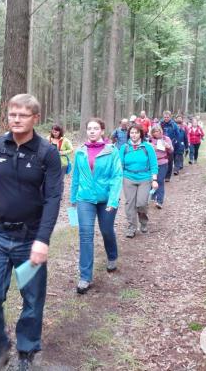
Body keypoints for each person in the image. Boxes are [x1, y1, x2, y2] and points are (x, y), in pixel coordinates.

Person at [0, 94, 63, 371]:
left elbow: (53, 198)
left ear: (36, 118)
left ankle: (26, 350)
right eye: (12, 114)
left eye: (23, 115)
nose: (16, 119)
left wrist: (42, 240)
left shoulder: (47, 153)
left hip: (30, 237)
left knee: (33, 299)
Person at [69, 118, 123, 294]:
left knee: (106, 230)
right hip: (85, 198)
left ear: (102, 131)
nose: (92, 131)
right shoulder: (80, 151)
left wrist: (113, 200)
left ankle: (112, 256)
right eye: (89, 128)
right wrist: (73, 198)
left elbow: (117, 176)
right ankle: (85, 277)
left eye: (95, 128)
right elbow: (76, 176)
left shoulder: (111, 150)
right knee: (85, 235)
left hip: (106, 198)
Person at [120, 125, 159, 237]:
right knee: (130, 203)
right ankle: (131, 227)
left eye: (136, 132)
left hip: (145, 178)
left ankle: (143, 222)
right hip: (128, 177)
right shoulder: (124, 147)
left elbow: (153, 164)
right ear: (129, 134)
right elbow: (120, 164)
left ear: (140, 134)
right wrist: (118, 179)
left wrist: (154, 179)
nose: (134, 135)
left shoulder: (147, 147)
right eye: (132, 133)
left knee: (142, 203)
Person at [149, 125, 174, 209]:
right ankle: (153, 195)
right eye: (154, 132)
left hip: (163, 162)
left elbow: (171, 150)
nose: (156, 133)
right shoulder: (150, 140)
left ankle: (159, 201)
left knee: (160, 180)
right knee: (152, 180)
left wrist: (168, 146)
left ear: (160, 131)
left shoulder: (166, 139)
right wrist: (150, 147)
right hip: (152, 163)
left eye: (157, 131)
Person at [159, 111, 181, 181]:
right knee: (162, 159)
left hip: (171, 143)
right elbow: (156, 131)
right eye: (165, 117)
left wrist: (177, 143)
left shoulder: (174, 125)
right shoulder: (160, 123)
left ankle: (168, 176)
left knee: (170, 160)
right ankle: (162, 174)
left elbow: (178, 135)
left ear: (170, 117)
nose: (166, 118)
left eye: (167, 117)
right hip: (161, 143)